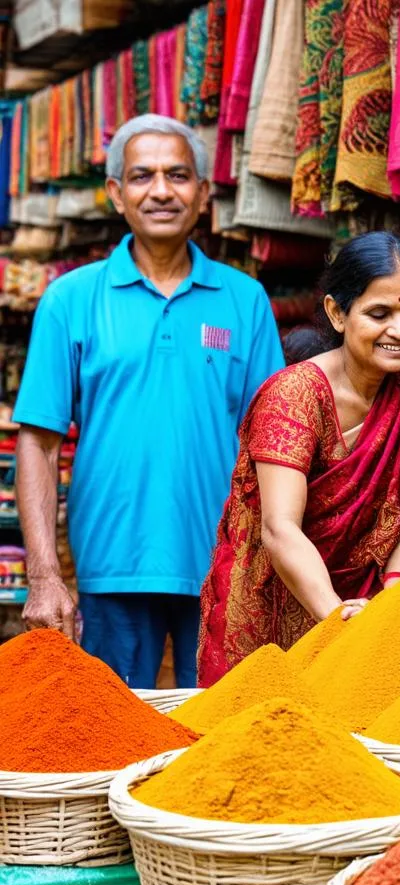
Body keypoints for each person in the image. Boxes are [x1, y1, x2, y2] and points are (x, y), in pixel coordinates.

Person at [14, 115, 283, 688]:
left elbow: (273, 443)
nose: (161, 190)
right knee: (112, 743)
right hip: (112, 567)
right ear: (116, 193)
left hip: (224, 570)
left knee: (216, 742)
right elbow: (37, 442)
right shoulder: (70, 300)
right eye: (142, 176)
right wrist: (43, 575)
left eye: (178, 175)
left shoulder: (245, 299)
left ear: (204, 193)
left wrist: (273, 566)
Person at [197, 232, 400, 687]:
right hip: (280, 605)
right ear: (337, 313)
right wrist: (339, 619)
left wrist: (393, 593)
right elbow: (280, 528)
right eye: (379, 314)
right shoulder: (294, 397)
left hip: (376, 607)